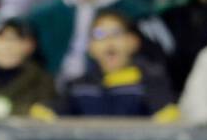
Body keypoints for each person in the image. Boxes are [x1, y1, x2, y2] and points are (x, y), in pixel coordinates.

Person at [49, 9, 178, 120]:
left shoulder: (151, 82)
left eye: (116, 33)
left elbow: (166, 117)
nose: (109, 41)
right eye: (99, 35)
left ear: (133, 42)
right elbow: (51, 113)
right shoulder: (77, 86)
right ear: (90, 47)